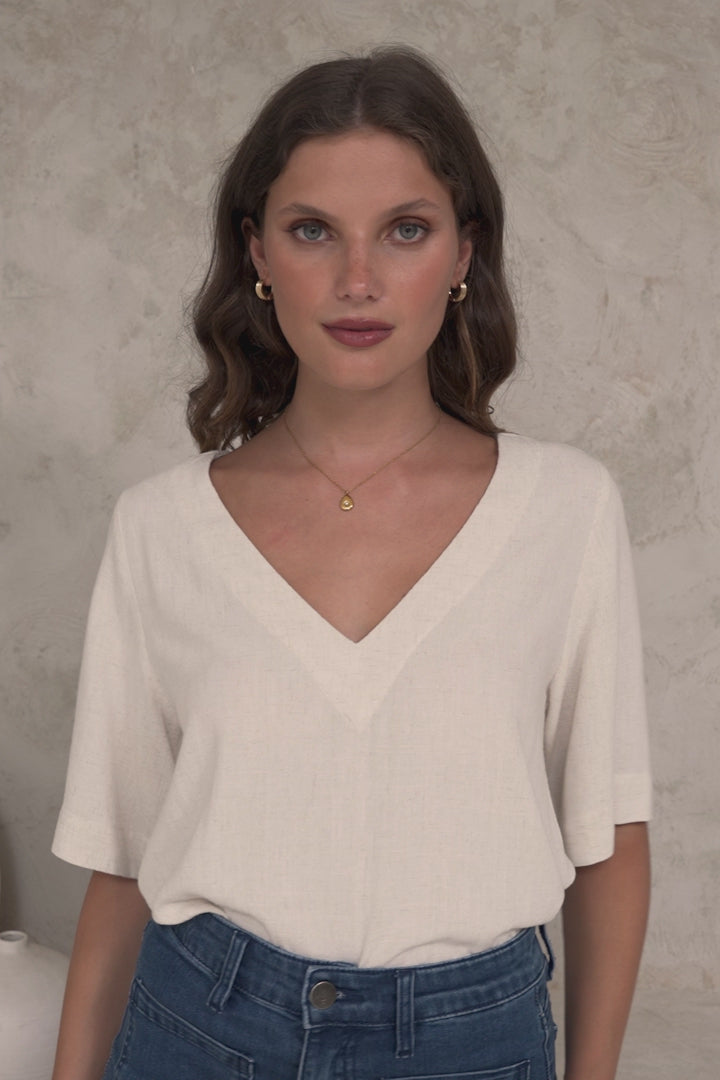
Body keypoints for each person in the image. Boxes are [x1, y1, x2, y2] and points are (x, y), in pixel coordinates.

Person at [51, 45, 652, 1080]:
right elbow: (122, 869)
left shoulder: (566, 510)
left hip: (475, 1045)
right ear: (257, 251)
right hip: (199, 1032)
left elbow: (609, 843)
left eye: (405, 230)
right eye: (313, 230)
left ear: (464, 253)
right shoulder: (160, 529)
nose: (358, 280)